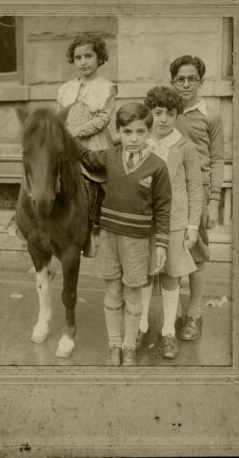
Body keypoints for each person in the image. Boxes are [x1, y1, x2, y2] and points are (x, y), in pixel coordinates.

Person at [75, 102, 172, 366]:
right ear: (118, 132)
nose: (134, 138)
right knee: (112, 294)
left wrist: (162, 244)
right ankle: (114, 345)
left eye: (140, 132)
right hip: (109, 237)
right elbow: (83, 155)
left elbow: (163, 207)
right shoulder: (109, 157)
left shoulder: (157, 166)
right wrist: (63, 134)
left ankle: (129, 347)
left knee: (132, 296)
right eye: (127, 132)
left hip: (137, 241)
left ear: (148, 132)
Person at [136, 86, 202, 359]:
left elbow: (195, 187)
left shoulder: (184, 146)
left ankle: (168, 332)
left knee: (171, 275)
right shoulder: (140, 141)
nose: (163, 119)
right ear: (150, 113)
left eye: (170, 113)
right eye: (158, 112)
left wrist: (192, 225)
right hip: (144, 220)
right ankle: (139, 326)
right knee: (144, 275)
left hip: (174, 222)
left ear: (177, 115)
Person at [170, 55, 224, 341]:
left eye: (192, 79)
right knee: (171, 251)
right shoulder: (165, 112)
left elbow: (217, 160)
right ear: (172, 82)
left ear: (201, 82)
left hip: (198, 192)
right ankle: (174, 314)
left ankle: (194, 313)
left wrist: (213, 201)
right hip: (168, 190)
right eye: (181, 79)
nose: (186, 84)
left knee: (196, 251)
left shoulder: (211, 116)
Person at [57, 33, 117, 182]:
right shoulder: (66, 88)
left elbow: (102, 118)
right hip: (68, 142)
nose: (83, 62)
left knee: (97, 179)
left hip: (94, 143)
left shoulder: (107, 87)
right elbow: (59, 117)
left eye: (88, 56)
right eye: (78, 58)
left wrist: (77, 132)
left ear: (100, 58)